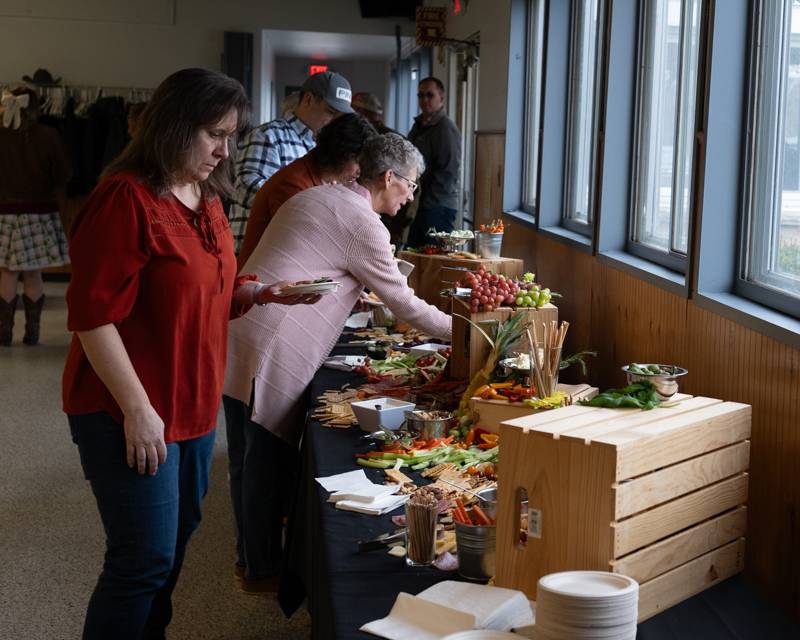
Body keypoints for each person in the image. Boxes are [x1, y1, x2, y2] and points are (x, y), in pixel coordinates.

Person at [61, 68, 319, 640]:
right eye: (214, 135)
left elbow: (203, 291)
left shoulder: (206, 197)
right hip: (128, 409)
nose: (226, 149)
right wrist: (137, 408)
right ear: (174, 128)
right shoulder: (125, 198)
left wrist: (257, 292)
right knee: (142, 560)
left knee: (172, 551)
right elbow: (92, 317)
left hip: (193, 408)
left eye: (231, 135)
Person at [223, 133, 452, 592]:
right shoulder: (364, 223)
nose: (410, 194)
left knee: (247, 457)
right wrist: (464, 332)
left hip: (244, 328)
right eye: (410, 184)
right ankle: (262, 570)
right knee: (264, 464)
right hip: (275, 340)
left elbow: (319, 261)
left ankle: (250, 558)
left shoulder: (318, 195)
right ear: (388, 177)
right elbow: (404, 305)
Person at [227, 71, 354, 252]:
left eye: (340, 117)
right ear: (308, 99)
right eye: (331, 112)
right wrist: (314, 206)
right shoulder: (268, 136)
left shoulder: (322, 146)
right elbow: (246, 191)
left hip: (287, 251)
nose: (335, 122)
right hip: (255, 253)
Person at [237, 112, 376, 268]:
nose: (360, 172)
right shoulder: (295, 185)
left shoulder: (316, 176)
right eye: (358, 162)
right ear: (341, 153)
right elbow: (311, 248)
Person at [0, 86, 71, 346]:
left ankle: (4, 332)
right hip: (40, 213)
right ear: (36, 108)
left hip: (3, 214)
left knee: (6, 272)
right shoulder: (48, 135)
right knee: (33, 273)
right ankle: (33, 333)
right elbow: (63, 175)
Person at [406, 76, 462, 248]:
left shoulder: (445, 128)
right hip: (419, 203)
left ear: (441, 98)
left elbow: (448, 171)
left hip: (438, 205)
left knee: (434, 259)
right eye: (420, 95)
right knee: (414, 254)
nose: (424, 100)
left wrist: (427, 203)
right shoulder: (419, 125)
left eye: (429, 95)